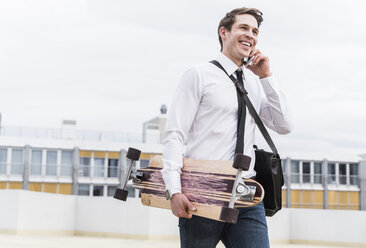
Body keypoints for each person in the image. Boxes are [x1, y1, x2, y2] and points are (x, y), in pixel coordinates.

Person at [161, 7, 293, 248]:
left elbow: (284, 125)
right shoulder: (199, 75)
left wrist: (266, 77)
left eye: (255, 31)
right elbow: (175, 134)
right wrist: (174, 190)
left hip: (246, 194)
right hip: (202, 192)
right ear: (224, 32)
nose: (250, 35)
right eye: (243, 28)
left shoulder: (254, 82)